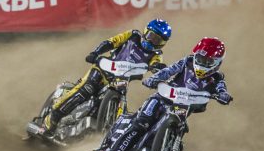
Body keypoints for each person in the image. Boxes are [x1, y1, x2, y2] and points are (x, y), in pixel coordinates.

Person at [96, 37, 232, 151]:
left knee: (180, 128)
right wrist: (154, 79)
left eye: (207, 62)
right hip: (160, 99)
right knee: (141, 124)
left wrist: (223, 96)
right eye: (200, 58)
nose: (202, 63)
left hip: (181, 110)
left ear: (217, 63)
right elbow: (168, 71)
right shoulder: (186, 62)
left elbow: (221, 89)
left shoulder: (217, 78)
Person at [41, 19, 172, 136]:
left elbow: (155, 64)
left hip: (121, 81)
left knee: (124, 113)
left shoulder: (157, 54)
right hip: (102, 71)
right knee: (86, 89)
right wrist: (96, 52)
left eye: (157, 40)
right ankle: (52, 119)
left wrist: (158, 68)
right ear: (145, 31)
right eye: (151, 36)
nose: (152, 42)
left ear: (163, 44)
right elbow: (111, 42)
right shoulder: (133, 35)